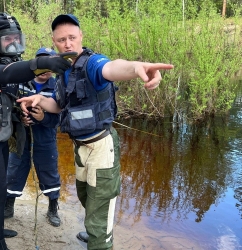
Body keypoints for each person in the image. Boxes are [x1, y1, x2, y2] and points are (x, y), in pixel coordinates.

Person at [17, 14, 174, 250]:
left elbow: (112, 68)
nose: (67, 43)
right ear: (54, 42)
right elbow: (58, 105)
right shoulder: (63, 73)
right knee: (87, 199)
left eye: (72, 37)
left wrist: (136, 67)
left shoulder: (92, 63)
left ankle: (100, 240)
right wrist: (40, 98)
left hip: (101, 148)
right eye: (61, 40)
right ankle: (95, 233)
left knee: (100, 210)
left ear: (80, 36)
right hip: (80, 149)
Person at [0, 12, 72, 250]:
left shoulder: (6, 63)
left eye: (17, 38)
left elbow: (7, 97)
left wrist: (22, 115)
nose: (14, 44)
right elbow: (3, 75)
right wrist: (44, 63)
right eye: (8, 39)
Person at [4, 47, 62, 227]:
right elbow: (9, 107)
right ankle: (8, 205)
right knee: (14, 170)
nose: (45, 71)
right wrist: (20, 118)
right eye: (42, 64)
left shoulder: (57, 86)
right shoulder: (21, 82)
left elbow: (60, 117)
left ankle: (53, 208)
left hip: (45, 137)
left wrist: (43, 118)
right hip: (21, 137)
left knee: (49, 171)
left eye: (49, 65)